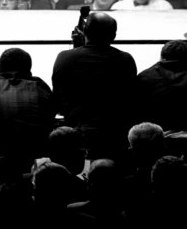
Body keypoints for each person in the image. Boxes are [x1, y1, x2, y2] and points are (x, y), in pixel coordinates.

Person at [51, 12, 137, 161]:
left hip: (76, 129)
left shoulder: (65, 57)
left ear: (85, 32)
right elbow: (131, 98)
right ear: (114, 35)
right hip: (114, 132)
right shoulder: (125, 59)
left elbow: (57, 96)